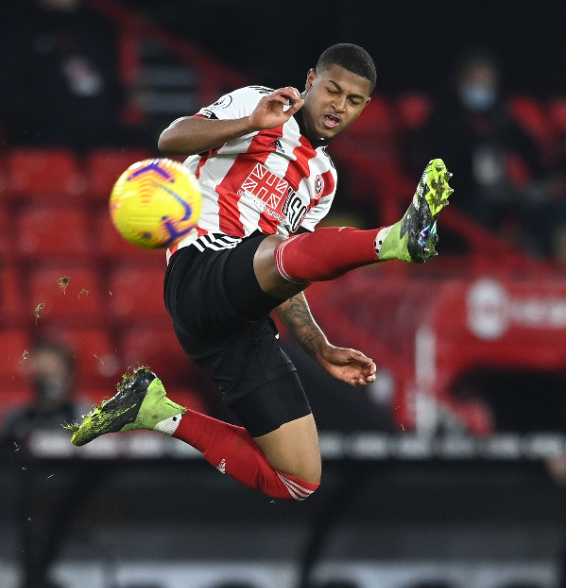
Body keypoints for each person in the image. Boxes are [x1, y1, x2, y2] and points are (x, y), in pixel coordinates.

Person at [68, 44, 452, 502]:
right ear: (311, 79)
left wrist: (320, 347)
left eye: (353, 101)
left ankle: (154, 411)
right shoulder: (259, 102)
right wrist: (252, 122)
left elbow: (289, 270)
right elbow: (170, 139)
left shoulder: (324, 179)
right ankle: (395, 240)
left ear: (364, 107)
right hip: (200, 272)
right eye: (332, 90)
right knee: (275, 250)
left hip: (239, 321)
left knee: (299, 480)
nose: (338, 107)